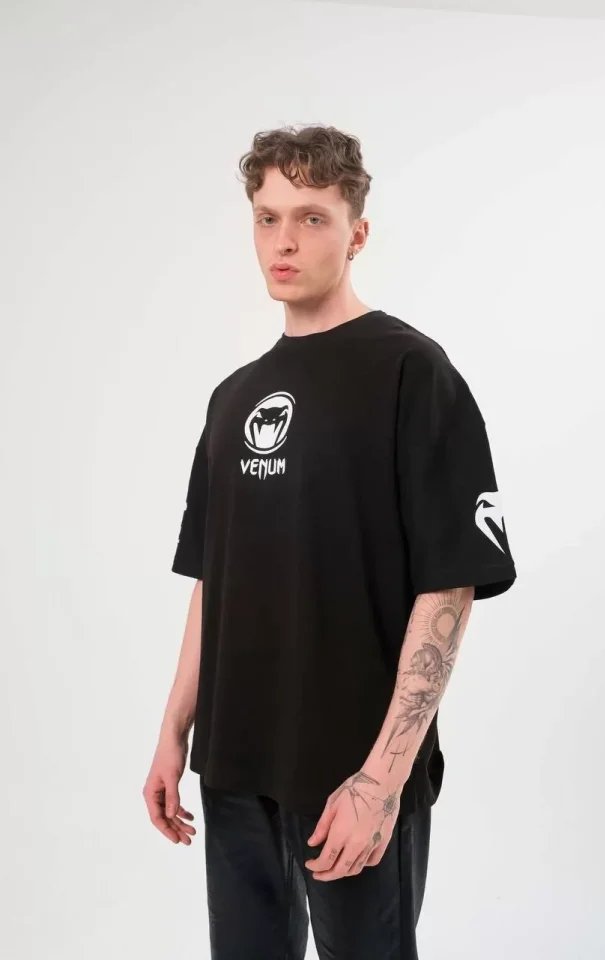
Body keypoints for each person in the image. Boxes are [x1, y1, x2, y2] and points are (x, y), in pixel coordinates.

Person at [143, 123, 517, 960]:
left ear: (356, 233)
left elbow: (449, 585)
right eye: (267, 217)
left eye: (311, 217)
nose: (284, 240)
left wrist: (382, 778)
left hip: (350, 771)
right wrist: (173, 732)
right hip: (233, 766)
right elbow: (212, 579)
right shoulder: (231, 398)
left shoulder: (410, 372)